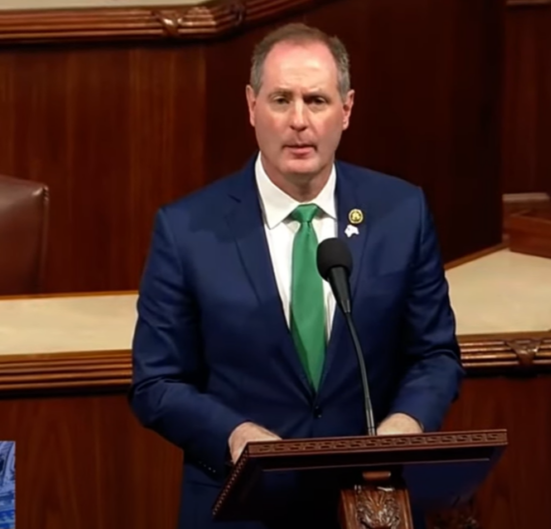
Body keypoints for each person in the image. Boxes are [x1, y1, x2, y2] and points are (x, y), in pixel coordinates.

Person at [129, 22, 464, 529]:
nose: (299, 121)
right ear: (251, 106)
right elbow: (156, 381)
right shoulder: (186, 229)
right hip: (240, 505)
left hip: (367, 506)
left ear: (347, 110)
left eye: (317, 100)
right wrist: (235, 433)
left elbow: (434, 354)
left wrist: (404, 425)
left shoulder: (401, 213)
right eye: (281, 99)